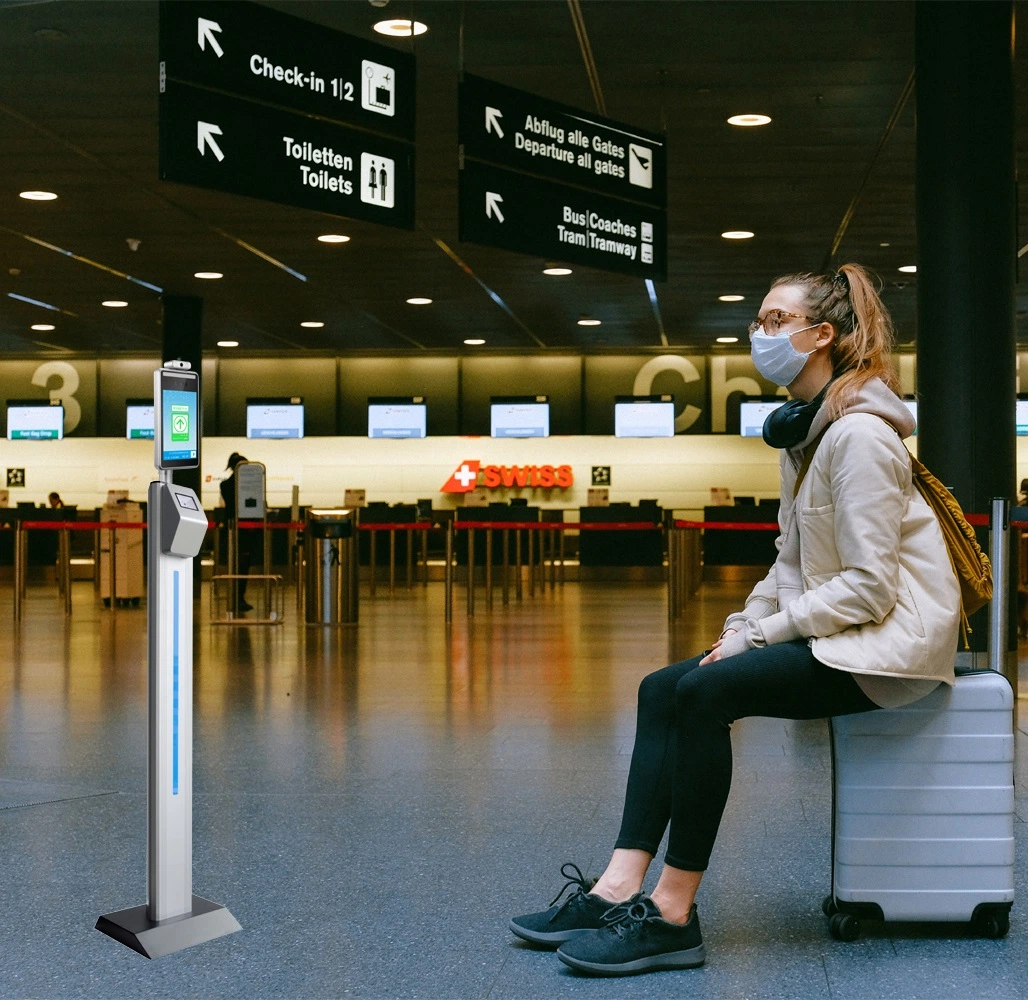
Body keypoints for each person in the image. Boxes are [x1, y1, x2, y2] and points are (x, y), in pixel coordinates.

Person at [509, 263, 961, 977]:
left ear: (823, 337)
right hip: (840, 633)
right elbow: (791, 562)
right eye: (759, 320)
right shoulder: (809, 437)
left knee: (705, 693)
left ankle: (672, 913)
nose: (759, 333)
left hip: (886, 651)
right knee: (664, 686)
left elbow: (872, 589)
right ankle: (616, 886)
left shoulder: (861, 438)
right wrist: (740, 627)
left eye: (775, 321)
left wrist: (764, 636)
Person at [220, 452, 258, 613]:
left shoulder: (227, 485)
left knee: (240, 565)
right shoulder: (234, 485)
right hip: (240, 530)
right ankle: (237, 598)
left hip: (236, 529)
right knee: (241, 565)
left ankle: (238, 597)